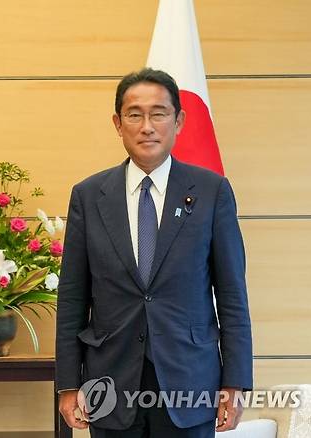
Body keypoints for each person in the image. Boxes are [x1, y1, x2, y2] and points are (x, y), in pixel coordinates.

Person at [55, 68, 252, 438]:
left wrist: (235, 381)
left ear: (178, 121)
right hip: (111, 381)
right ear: (118, 123)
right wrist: (68, 384)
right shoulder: (89, 195)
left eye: (159, 113)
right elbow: (72, 299)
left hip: (190, 379)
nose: (147, 126)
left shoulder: (211, 192)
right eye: (134, 114)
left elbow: (231, 296)